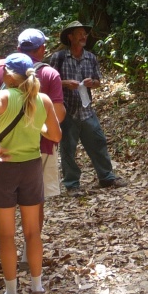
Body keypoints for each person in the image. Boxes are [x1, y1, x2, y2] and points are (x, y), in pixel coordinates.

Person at [0, 53, 62, 294]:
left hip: (4, 168)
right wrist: (38, 128)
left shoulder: (1, 96)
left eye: (3, 69)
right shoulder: (43, 99)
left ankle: (11, 291)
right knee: (32, 232)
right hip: (32, 168)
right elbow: (56, 136)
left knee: (6, 234)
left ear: (9, 74)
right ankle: (37, 286)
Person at [50, 21, 127, 196]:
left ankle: (107, 177)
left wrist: (93, 83)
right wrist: (65, 84)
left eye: (84, 33)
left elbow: (98, 81)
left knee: (98, 142)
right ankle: (72, 184)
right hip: (67, 110)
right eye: (79, 33)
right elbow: (50, 82)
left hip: (86, 109)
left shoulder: (90, 58)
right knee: (68, 148)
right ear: (70, 37)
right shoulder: (59, 57)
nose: (84, 37)